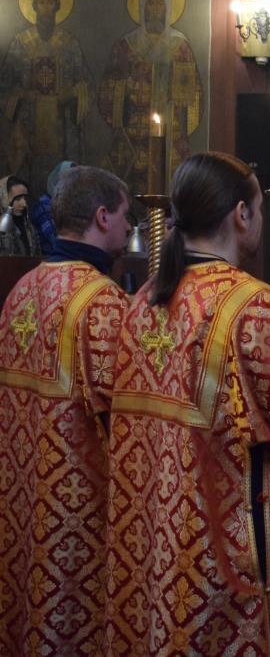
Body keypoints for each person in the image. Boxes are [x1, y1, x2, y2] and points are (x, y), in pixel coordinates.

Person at [104, 152, 270, 653]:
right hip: (231, 531)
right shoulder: (251, 304)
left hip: (156, 529)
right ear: (241, 214)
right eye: (258, 208)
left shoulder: (143, 300)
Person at [0, 165, 132, 653]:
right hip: (79, 500)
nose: (127, 227)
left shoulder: (24, 289)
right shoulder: (100, 301)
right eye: (124, 216)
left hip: (21, 490)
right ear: (102, 217)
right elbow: (127, 413)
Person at [98, 0, 203, 194]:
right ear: (141, 8)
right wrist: (125, 88)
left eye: (160, 4)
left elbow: (194, 94)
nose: (155, 10)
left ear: (168, 8)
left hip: (171, 131)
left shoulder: (180, 46)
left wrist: (182, 109)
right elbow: (108, 88)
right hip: (135, 130)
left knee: (173, 185)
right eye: (150, 4)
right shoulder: (126, 46)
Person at [0, 0, 90, 195]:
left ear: (58, 7)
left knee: (62, 180)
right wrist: (23, 95)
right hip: (28, 127)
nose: (46, 8)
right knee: (27, 178)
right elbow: (5, 86)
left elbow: (85, 84)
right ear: (34, 7)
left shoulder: (69, 44)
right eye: (41, 3)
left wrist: (70, 94)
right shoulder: (20, 43)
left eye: (51, 3)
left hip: (62, 128)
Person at [0, 175, 41, 256]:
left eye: (25, 198)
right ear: (3, 198)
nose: (24, 204)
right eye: (17, 199)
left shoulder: (28, 223)